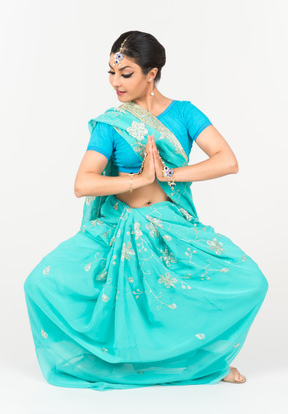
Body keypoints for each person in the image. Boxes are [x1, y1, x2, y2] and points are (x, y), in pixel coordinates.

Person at [23, 30, 269, 391]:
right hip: (117, 226)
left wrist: (169, 174)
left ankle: (208, 364)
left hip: (170, 225)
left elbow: (227, 161)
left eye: (126, 74)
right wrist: (138, 180)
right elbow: (83, 184)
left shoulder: (184, 113)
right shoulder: (111, 123)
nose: (115, 83)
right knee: (40, 283)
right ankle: (110, 366)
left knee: (250, 281)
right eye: (110, 72)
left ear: (151, 73)